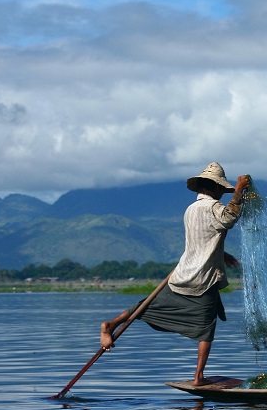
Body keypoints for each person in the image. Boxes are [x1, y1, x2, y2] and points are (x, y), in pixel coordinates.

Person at [99, 162, 251, 386]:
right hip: (202, 278)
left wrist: (222, 255)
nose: (221, 192)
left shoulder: (190, 209)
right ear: (215, 188)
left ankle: (111, 324)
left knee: (146, 306)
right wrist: (238, 190)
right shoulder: (213, 207)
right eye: (221, 188)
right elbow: (229, 218)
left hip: (183, 273)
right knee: (206, 327)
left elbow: (204, 239)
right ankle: (198, 377)